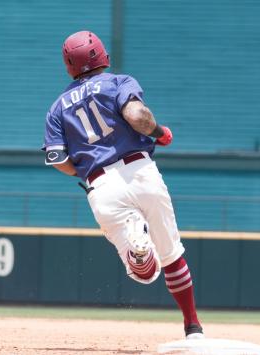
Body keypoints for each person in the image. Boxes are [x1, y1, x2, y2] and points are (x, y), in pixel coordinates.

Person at [42, 30, 204, 339]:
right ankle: (193, 327)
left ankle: (136, 249)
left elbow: (58, 161)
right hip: (141, 171)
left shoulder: (57, 107)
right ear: (102, 55)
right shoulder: (118, 82)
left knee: (144, 274)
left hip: (101, 185)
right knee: (170, 256)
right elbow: (135, 114)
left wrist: (88, 171)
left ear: (69, 65)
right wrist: (160, 132)